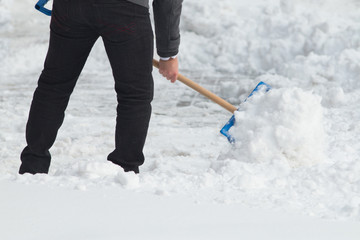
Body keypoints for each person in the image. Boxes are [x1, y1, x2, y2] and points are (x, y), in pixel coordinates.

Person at [19, 0, 183, 174]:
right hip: (125, 11)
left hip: (71, 8)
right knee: (134, 94)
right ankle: (124, 171)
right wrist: (168, 54)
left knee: (54, 86)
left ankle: (33, 166)